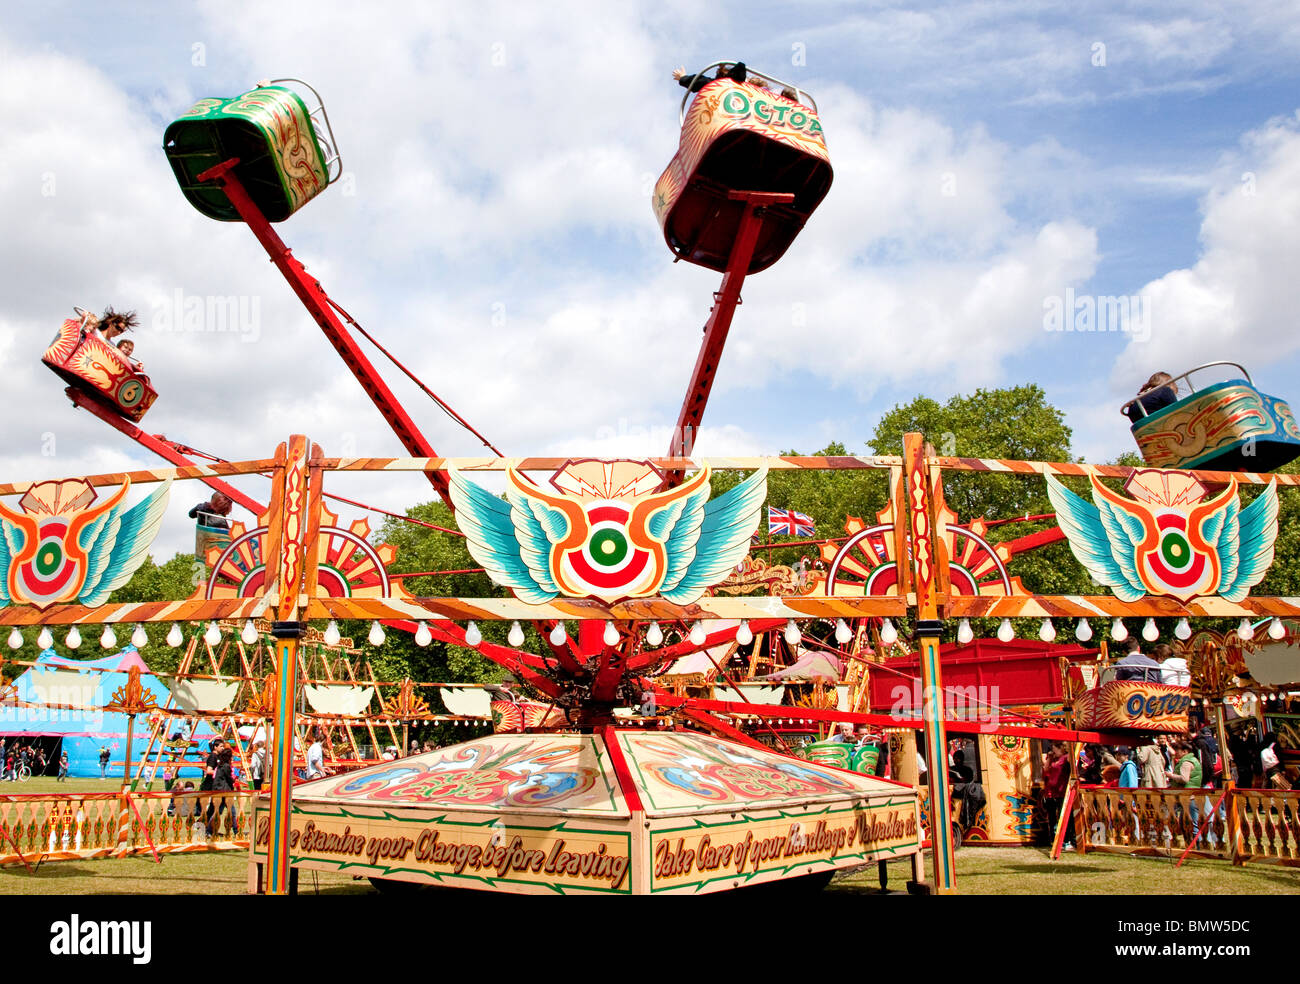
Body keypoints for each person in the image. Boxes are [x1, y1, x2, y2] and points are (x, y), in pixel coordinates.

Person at [672, 61, 747, 93]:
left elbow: (697, 82)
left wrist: (683, 77)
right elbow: (698, 82)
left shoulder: (714, 85)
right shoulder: (741, 83)